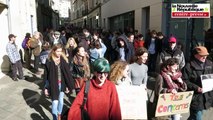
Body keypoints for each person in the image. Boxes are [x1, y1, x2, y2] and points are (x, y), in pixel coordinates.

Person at [44, 44, 74, 120]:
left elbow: (67, 75)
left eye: (61, 51)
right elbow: (46, 76)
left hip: (62, 84)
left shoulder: (64, 60)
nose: (59, 53)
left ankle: (59, 114)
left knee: (61, 101)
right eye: (58, 51)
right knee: (55, 102)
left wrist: (68, 85)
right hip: (53, 84)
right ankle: (55, 118)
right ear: (53, 51)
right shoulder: (49, 60)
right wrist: (46, 87)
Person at [182, 46, 213, 120]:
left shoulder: (210, 64)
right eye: (202, 55)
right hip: (195, 97)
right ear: (195, 55)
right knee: (197, 116)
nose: (204, 57)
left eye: (206, 55)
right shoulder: (189, 66)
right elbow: (185, 80)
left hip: (207, 95)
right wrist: (196, 88)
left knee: (194, 116)